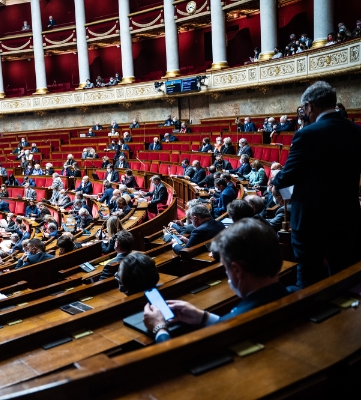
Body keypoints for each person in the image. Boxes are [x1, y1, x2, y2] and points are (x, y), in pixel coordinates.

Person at [272, 81, 361, 288]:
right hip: (347, 215)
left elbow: (287, 177)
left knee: (309, 279)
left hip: (312, 219)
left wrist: (276, 179)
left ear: (310, 106)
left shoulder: (307, 134)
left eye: (304, 109)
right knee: (343, 276)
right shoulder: (356, 131)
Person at [143, 219, 290, 343]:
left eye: (225, 268)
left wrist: (159, 328)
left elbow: (175, 359)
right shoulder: (294, 292)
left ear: (237, 271)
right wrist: (204, 317)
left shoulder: (233, 327)